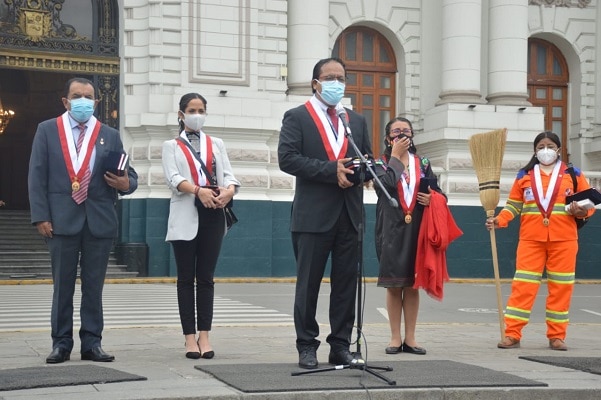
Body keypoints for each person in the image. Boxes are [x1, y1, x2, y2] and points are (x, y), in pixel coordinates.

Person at [28, 77, 138, 364]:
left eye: (89, 97)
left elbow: (129, 175)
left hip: (98, 222)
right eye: (77, 96)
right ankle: (61, 344)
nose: (83, 102)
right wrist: (41, 216)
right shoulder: (47, 130)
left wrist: (126, 183)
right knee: (62, 286)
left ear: (97, 102)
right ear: (65, 101)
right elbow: (37, 176)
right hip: (60, 221)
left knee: (93, 287)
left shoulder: (109, 134)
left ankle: (92, 343)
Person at [278, 57, 373, 369]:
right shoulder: (297, 117)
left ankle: (340, 346)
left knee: (345, 285)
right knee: (308, 285)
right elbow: (287, 159)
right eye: (330, 78)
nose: (337, 83)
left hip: (349, 214)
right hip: (313, 216)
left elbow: (366, 159)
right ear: (315, 83)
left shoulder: (355, 121)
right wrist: (331, 170)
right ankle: (307, 345)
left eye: (341, 78)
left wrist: (362, 173)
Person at [485, 131, 594, 351]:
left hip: (564, 240)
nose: (546, 150)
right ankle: (512, 334)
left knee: (561, 288)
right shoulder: (524, 175)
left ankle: (557, 336)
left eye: (550, 146)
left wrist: (582, 211)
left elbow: (589, 204)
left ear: (558, 150)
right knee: (522, 287)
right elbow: (514, 205)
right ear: (535, 151)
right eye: (541, 146)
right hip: (531, 239)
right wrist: (500, 220)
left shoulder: (573, 174)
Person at [162, 93, 240, 360]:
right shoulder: (171, 146)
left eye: (201, 110)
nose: (197, 115)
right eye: (192, 110)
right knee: (186, 279)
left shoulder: (216, 143)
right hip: (185, 215)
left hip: (213, 215)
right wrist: (198, 190)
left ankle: (204, 336)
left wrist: (229, 191)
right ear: (181, 114)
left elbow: (228, 175)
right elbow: (173, 178)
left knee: (206, 278)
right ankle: (189, 338)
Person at [373, 117, 443, 356]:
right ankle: (395, 337)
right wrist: (395, 157)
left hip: (418, 228)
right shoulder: (380, 163)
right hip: (390, 229)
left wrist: (433, 198)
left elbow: (438, 192)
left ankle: (410, 337)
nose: (402, 134)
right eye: (396, 131)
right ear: (387, 138)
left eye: (406, 130)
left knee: (413, 285)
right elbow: (386, 185)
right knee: (394, 285)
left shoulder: (422, 163)